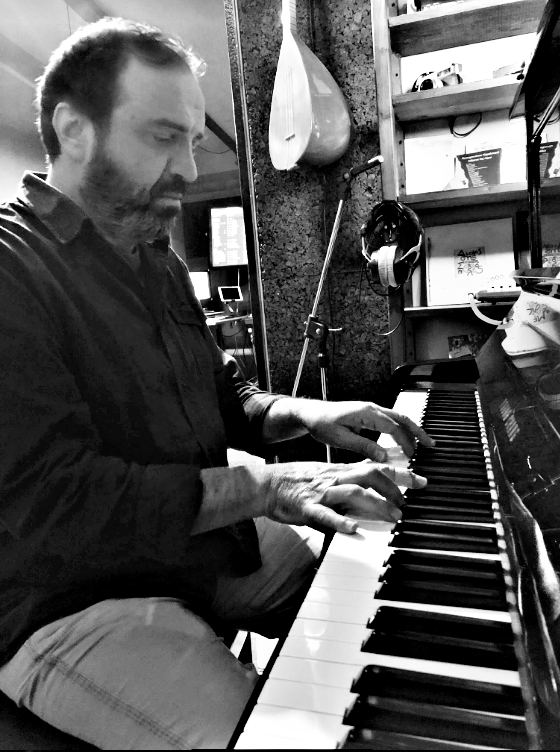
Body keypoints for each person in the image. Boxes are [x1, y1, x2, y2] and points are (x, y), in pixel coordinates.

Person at [0, 17, 434, 750]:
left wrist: (312, 413)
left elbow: (227, 399)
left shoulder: (157, 259)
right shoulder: (11, 268)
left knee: (380, 583)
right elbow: (58, 500)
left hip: (196, 545)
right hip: (65, 601)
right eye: (162, 137)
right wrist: (266, 486)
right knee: (281, 741)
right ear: (74, 131)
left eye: (191, 143)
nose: (187, 169)